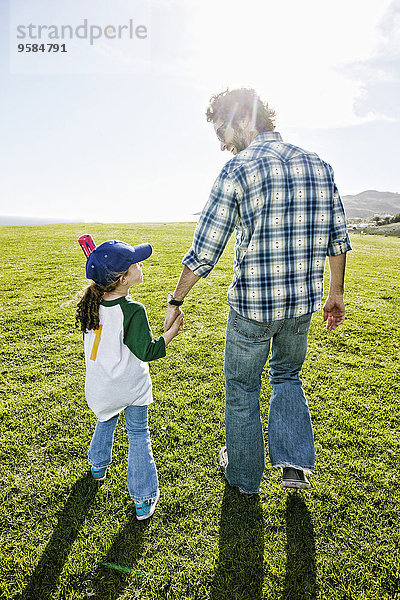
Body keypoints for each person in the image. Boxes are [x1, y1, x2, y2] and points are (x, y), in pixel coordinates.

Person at [164, 88, 351, 493]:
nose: (221, 143)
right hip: (302, 304)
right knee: (287, 375)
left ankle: (245, 478)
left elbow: (205, 249)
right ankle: (292, 465)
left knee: (242, 387)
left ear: (245, 119)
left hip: (252, 308)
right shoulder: (318, 164)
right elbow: (338, 236)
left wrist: (176, 300)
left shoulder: (237, 170)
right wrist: (335, 292)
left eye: (222, 130)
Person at [76, 239, 183, 519]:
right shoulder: (133, 310)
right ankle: (143, 498)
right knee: (137, 435)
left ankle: (97, 466)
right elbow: (147, 351)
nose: (141, 265)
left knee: (106, 417)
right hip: (130, 387)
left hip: (99, 388)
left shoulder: (91, 304)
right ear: (123, 279)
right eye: (136, 263)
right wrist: (171, 333)